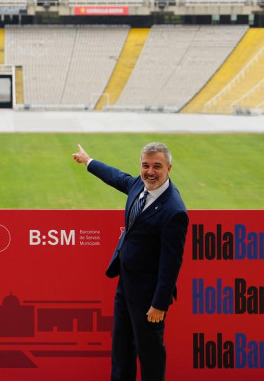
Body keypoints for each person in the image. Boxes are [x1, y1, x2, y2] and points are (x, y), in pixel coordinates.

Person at [72, 142, 188, 381]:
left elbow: (171, 263)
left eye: (157, 166)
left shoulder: (174, 211)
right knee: (122, 351)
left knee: (150, 356)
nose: (150, 171)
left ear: (169, 168)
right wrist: (89, 161)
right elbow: (117, 177)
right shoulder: (138, 184)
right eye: (145, 165)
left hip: (148, 298)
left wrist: (159, 304)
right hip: (125, 286)